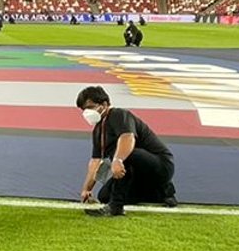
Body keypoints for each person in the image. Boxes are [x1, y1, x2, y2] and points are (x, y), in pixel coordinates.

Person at [75, 84, 176, 218]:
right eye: (83, 109)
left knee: (128, 155)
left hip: (160, 165)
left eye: (89, 107)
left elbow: (127, 137)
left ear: (104, 104)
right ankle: (160, 193)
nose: (86, 112)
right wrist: (86, 189)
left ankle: (116, 207)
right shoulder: (98, 131)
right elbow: (95, 161)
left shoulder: (119, 115)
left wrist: (118, 160)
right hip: (136, 172)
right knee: (105, 196)